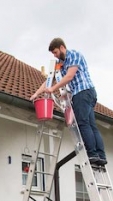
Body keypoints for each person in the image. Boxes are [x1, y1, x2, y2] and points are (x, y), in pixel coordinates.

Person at [30, 38, 107, 166]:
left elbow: (69, 76)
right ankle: (101, 156)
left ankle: (93, 154)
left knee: (83, 123)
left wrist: (53, 89)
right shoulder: (60, 63)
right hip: (84, 94)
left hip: (83, 92)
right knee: (91, 125)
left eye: (55, 52)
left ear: (61, 47)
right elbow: (50, 79)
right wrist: (37, 94)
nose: (54, 55)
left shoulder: (75, 55)